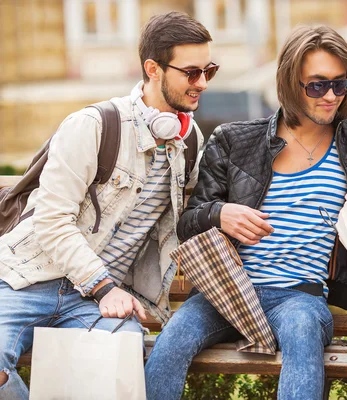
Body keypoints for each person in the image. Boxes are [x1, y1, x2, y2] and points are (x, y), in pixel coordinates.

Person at [144, 25, 347, 400]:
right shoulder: (234, 139)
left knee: (302, 332)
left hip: (300, 295)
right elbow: (189, 222)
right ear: (291, 84)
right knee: (172, 340)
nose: (331, 97)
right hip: (228, 290)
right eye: (317, 85)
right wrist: (221, 213)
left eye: (340, 85)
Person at [0, 11, 214, 398]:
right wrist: (101, 286)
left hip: (99, 304)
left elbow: (193, 220)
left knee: (119, 370)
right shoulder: (94, 126)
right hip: (26, 281)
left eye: (208, 70)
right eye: (191, 72)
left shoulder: (190, 142)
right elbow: (51, 220)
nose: (202, 83)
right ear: (153, 68)